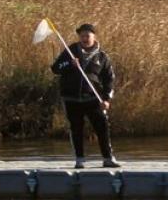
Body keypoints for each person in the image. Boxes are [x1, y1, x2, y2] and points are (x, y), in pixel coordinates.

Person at [51, 23, 119, 169]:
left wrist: (107, 99)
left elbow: (109, 79)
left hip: (93, 98)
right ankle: (80, 159)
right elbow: (55, 68)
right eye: (82, 35)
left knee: (102, 127)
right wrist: (69, 64)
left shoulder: (102, 56)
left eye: (87, 35)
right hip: (72, 98)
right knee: (76, 128)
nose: (84, 38)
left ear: (94, 36)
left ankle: (108, 158)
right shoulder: (71, 51)